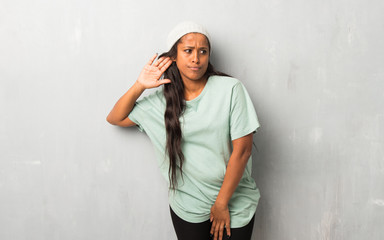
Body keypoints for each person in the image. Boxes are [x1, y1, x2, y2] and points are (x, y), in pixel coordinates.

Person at [107, 21, 261, 240]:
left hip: (234, 202)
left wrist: (221, 203)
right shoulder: (161, 102)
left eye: (202, 52)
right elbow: (116, 117)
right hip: (188, 205)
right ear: (174, 57)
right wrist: (139, 85)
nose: (196, 58)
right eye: (188, 51)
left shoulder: (231, 89)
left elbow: (243, 151)